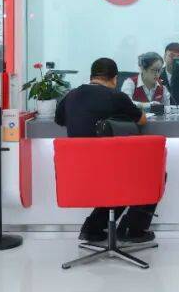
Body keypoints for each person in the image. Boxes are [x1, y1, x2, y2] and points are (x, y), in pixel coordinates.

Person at [55, 57, 156, 244]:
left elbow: (60, 120)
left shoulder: (71, 96)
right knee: (151, 172)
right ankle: (132, 230)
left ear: (92, 76)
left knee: (115, 178)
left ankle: (92, 228)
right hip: (109, 170)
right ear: (115, 78)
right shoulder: (116, 97)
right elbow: (142, 120)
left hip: (79, 172)